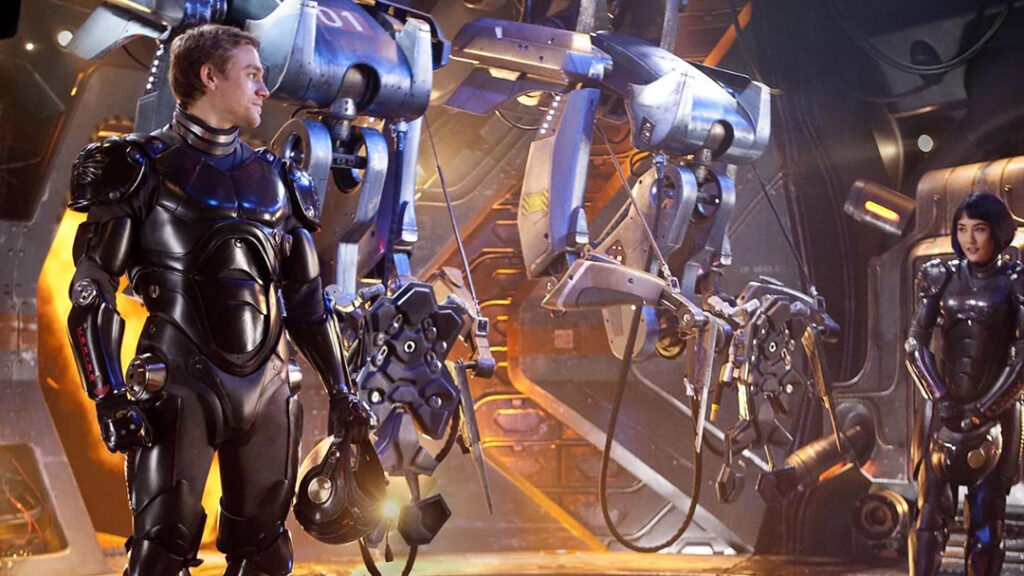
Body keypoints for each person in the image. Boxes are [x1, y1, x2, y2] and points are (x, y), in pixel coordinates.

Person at [65, 24, 373, 576]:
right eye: (252, 74)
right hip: (178, 384)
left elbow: (307, 302)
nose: (264, 88)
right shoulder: (138, 167)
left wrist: (343, 390)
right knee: (161, 550)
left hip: (269, 388)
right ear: (209, 76)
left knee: (266, 552)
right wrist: (108, 396)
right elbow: (91, 292)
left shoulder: (278, 179)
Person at [906, 192, 1024, 576]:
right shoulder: (941, 275)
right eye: (962, 229)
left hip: (997, 412)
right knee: (928, 520)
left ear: (998, 232)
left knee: (987, 525)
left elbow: (1023, 359)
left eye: (979, 229)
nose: (969, 239)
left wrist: (985, 409)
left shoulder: (1015, 281)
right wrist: (940, 396)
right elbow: (914, 344)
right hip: (941, 409)